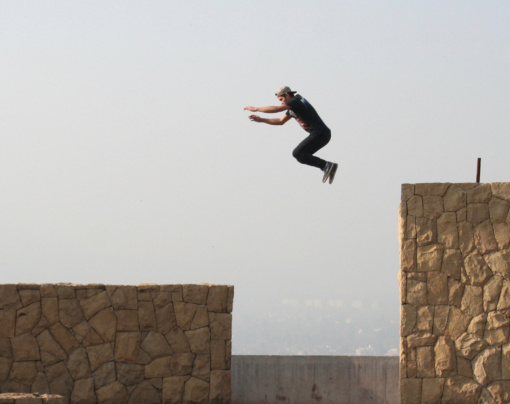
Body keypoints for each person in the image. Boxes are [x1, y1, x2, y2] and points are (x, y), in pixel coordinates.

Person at [244, 86, 338, 184]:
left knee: (298, 153)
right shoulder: (293, 108)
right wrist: (262, 120)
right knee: (301, 155)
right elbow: (280, 121)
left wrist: (256, 108)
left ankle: (326, 165)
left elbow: (276, 109)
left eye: (281, 99)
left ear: (287, 94)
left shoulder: (297, 101)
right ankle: (326, 166)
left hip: (320, 133)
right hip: (321, 134)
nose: (281, 102)